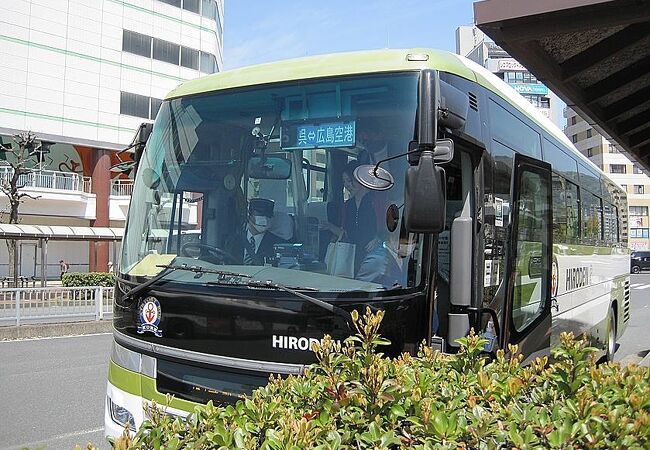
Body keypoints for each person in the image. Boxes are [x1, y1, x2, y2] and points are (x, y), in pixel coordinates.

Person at [321, 160, 382, 272]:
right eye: (344, 182)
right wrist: (329, 226)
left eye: (349, 181)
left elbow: (391, 230)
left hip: (374, 258)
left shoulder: (377, 201)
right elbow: (345, 234)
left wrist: (379, 239)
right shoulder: (347, 205)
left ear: (360, 179)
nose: (346, 185)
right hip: (350, 256)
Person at [240, 198, 286, 265]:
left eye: (268, 216)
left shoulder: (279, 245)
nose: (265, 219)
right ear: (248, 215)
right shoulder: (233, 241)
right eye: (260, 215)